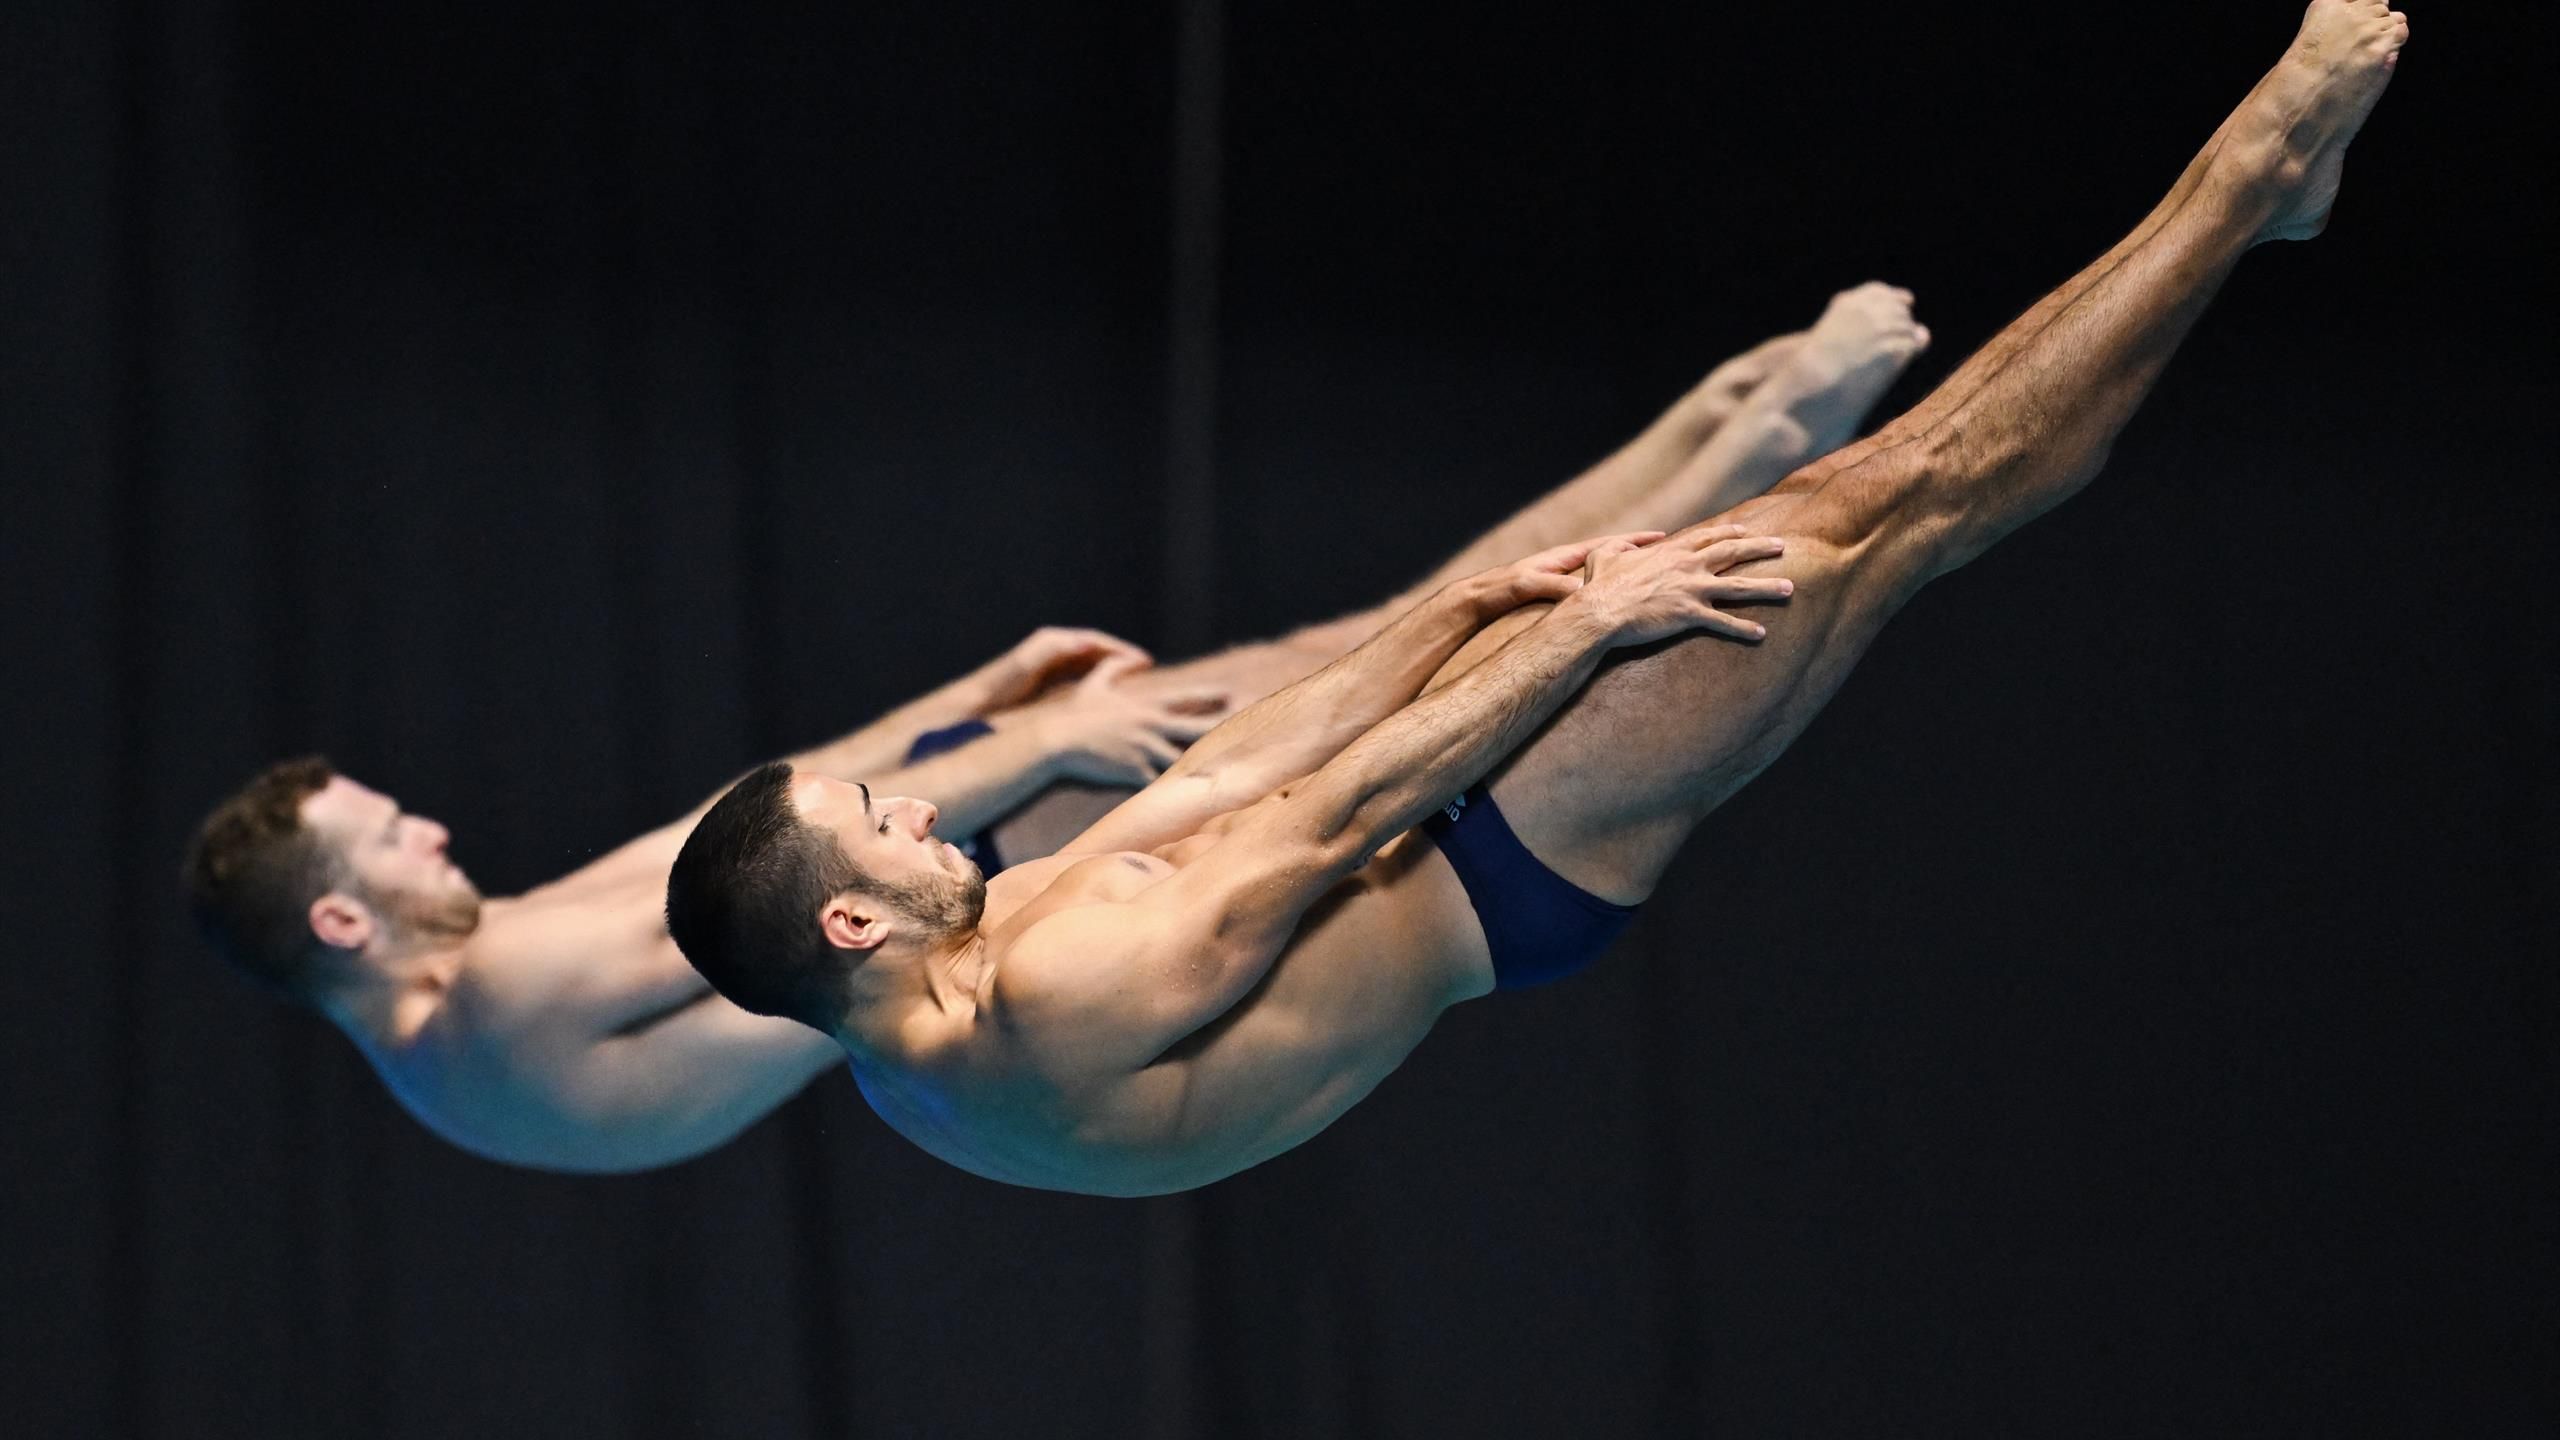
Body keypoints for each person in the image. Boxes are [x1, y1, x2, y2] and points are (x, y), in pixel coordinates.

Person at [665, 0, 2410, 1197]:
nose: (917, 799)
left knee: (1883, 510)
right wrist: (1576, 631)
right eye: (876, 817)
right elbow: (1332, 812)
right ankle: (2255, 172)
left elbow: (1224, 773)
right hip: (1507, 863)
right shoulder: (1042, 1018)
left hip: (1446, 798)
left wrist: (1480, 600)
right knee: (1889, 505)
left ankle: (2251, 217)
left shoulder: (968, 967)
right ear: (846, 924)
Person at [183, 287, 1931, 1172]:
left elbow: (745, 832)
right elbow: (742, 871)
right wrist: (1025, 748)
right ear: (338, 918)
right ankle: (1743, 429)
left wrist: (968, 706)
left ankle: (1732, 429)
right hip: (965, 926)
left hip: (921, 952)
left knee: (1358, 657)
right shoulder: (492, 995)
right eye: (390, 837)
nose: (429, 831)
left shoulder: (453, 1071)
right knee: (1370, 663)